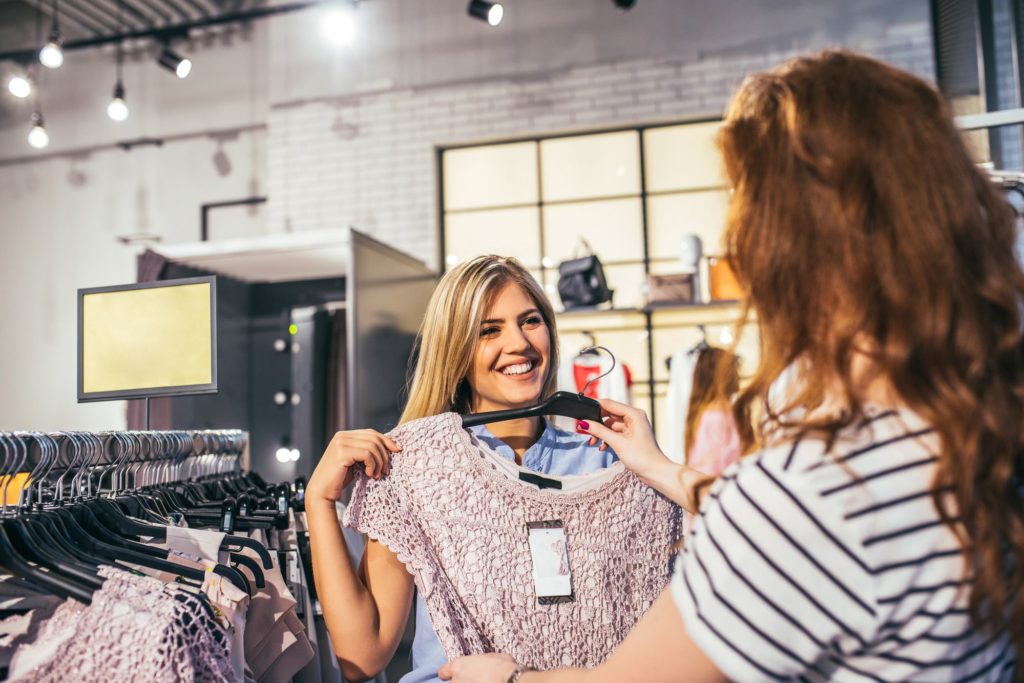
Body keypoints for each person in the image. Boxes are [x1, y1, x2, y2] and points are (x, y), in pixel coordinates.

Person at [438, 50, 1022, 682]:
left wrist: (509, 680)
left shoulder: (808, 492)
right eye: (489, 329)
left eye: (746, 206)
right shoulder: (975, 436)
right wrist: (662, 468)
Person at [305, 255, 619, 683]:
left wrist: (653, 467)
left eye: (530, 321)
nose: (519, 344)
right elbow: (363, 655)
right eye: (489, 330)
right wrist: (319, 502)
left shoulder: (602, 458)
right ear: (456, 351)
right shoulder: (416, 471)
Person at [684, 347, 741, 477]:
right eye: (734, 369)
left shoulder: (703, 410)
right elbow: (719, 464)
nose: (738, 375)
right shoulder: (719, 414)